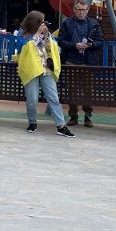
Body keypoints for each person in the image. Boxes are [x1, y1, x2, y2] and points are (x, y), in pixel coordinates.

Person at [18, 10, 75, 138]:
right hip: (31, 70)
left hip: (47, 69)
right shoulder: (24, 33)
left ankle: (61, 126)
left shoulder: (46, 34)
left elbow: (54, 47)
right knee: (32, 99)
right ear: (35, 22)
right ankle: (32, 122)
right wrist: (37, 35)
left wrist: (48, 36)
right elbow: (24, 47)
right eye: (41, 22)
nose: (43, 24)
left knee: (53, 98)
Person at [56, 0, 103, 128]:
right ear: (74, 10)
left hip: (88, 63)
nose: (81, 12)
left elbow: (100, 42)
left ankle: (88, 117)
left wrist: (91, 45)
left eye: (84, 10)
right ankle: (73, 116)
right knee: (72, 91)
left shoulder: (94, 23)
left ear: (87, 10)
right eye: (79, 10)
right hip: (71, 61)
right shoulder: (67, 23)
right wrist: (74, 45)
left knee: (88, 91)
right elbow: (60, 41)